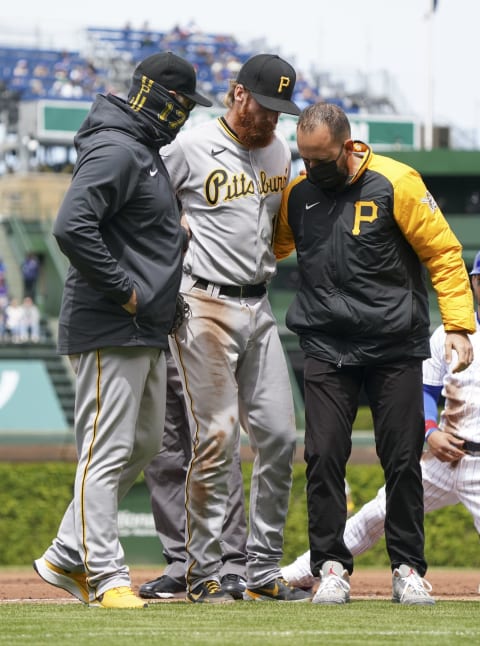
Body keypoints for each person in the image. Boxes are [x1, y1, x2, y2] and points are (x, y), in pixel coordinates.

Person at [274, 102, 475, 605]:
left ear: (347, 148)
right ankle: (331, 569)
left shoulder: (397, 181)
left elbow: (443, 253)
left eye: (319, 159)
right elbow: (270, 246)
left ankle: (407, 569)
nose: (309, 169)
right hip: (325, 342)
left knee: (403, 459)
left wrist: (458, 325)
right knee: (322, 457)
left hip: (394, 345)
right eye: (303, 158)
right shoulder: (298, 194)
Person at [32, 51, 212, 609]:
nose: (185, 117)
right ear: (161, 99)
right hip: (114, 321)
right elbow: (71, 225)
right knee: (105, 448)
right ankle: (106, 576)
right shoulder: (117, 147)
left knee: (143, 442)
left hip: (145, 326)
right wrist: (127, 289)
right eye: (181, 105)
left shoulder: (141, 149)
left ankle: (66, 552)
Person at [165, 53, 310, 604]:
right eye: (265, 106)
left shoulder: (278, 149)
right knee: (218, 437)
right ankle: (202, 571)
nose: (272, 119)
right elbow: (147, 203)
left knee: (277, 436)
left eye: (280, 110)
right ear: (237, 94)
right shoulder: (189, 147)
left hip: (260, 305)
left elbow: (277, 227)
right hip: (203, 301)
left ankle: (262, 569)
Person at [283, 250, 480, 598]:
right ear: (474, 283)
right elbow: (426, 389)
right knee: (376, 513)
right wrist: (431, 431)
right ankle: (299, 573)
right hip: (443, 457)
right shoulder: (449, 333)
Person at [140, 351, 248, 600]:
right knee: (162, 457)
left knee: (217, 451)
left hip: (197, 337)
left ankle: (232, 565)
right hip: (150, 340)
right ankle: (181, 562)